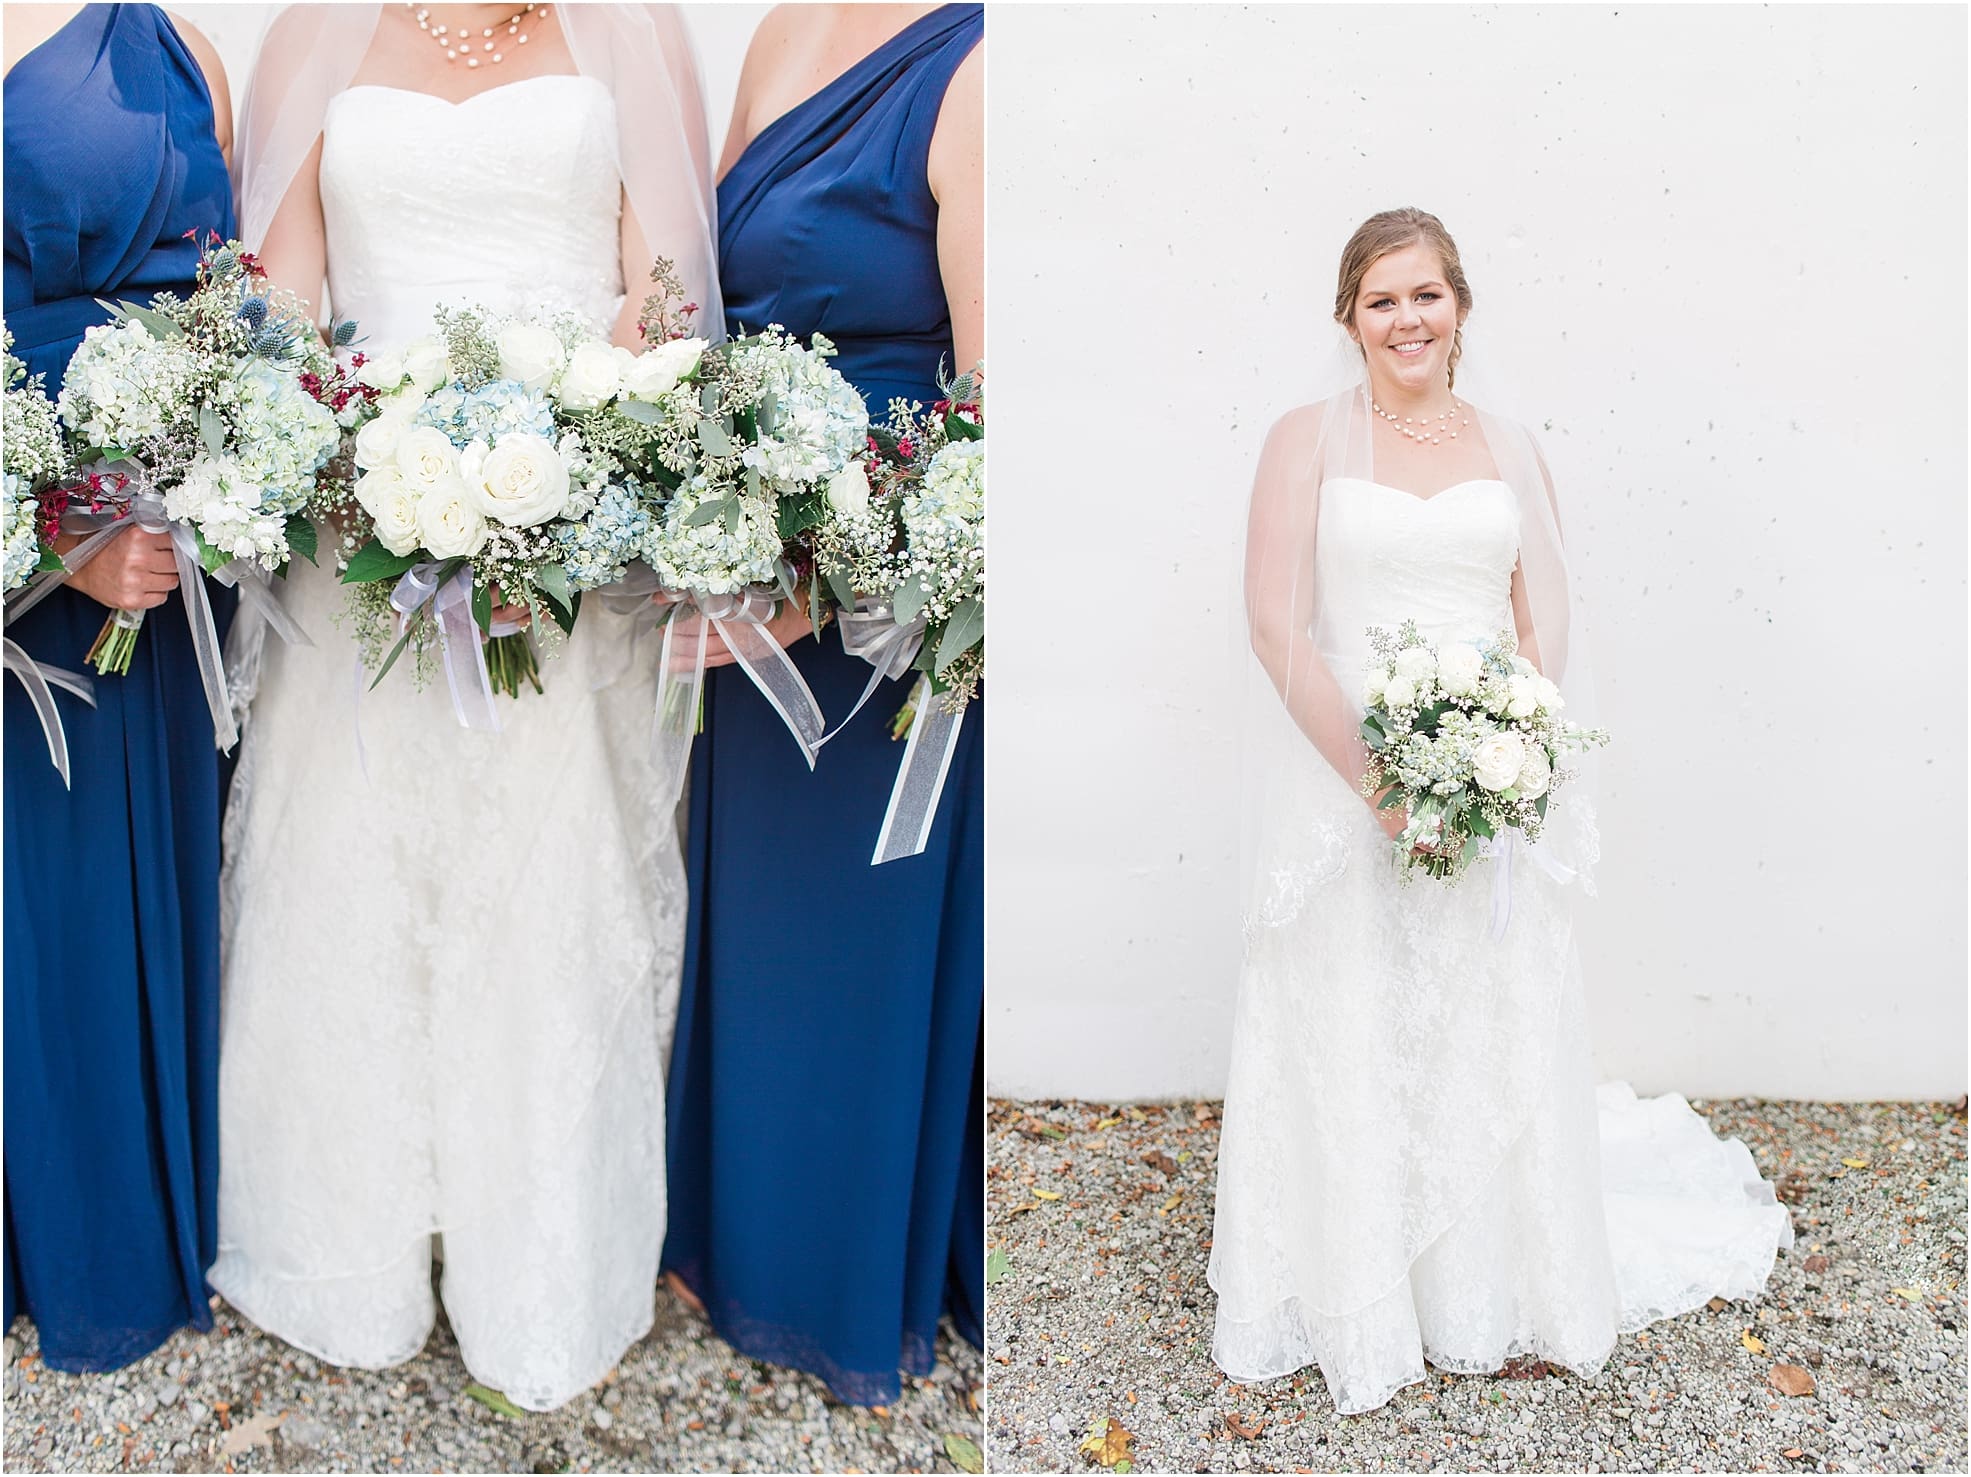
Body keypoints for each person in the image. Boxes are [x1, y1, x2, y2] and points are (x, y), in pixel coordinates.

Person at [209, 2, 716, 1410]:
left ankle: (539, 1276)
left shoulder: (631, 30)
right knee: (350, 878)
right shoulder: (314, 31)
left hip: (563, 548)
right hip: (354, 541)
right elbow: (284, 298)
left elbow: (660, 285)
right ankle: (343, 1259)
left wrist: (548, 486)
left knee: (542, 890)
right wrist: (373, 471)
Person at [1211, 207, 1794, 1415]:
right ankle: (1362, 1287)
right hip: (1344, 773)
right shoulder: (1300, 442)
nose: (1406, 319)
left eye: (1426, 295)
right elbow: (1278, 625)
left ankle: (1493, 1285)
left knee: (1484, 1012)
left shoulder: (1514, 445)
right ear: (1347, 317)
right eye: (1381, 300)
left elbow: (1546, 617)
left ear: (1462, 306)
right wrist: (1380, 785)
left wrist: (1501, 758)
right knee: (1356, 1012)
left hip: (1480, 777)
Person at [660, 2, 985, 1405]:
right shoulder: (784, 30)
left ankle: (834, 1283)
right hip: (743, 549)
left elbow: (989, 392)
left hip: (875, 596)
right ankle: (734, 1249)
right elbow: (715, 305)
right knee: (748, 918)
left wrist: (835, 580)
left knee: (851, 928)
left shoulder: (974, 63)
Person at [3, 1, 239, 1373]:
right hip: (48, 561)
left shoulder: (178, 39)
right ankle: (70, 1247)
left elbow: (226, 304)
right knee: (50, 894)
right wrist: (56, 526)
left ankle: (166, 1220)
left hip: (167, 553)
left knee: (172, 864)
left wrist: (214, 466)